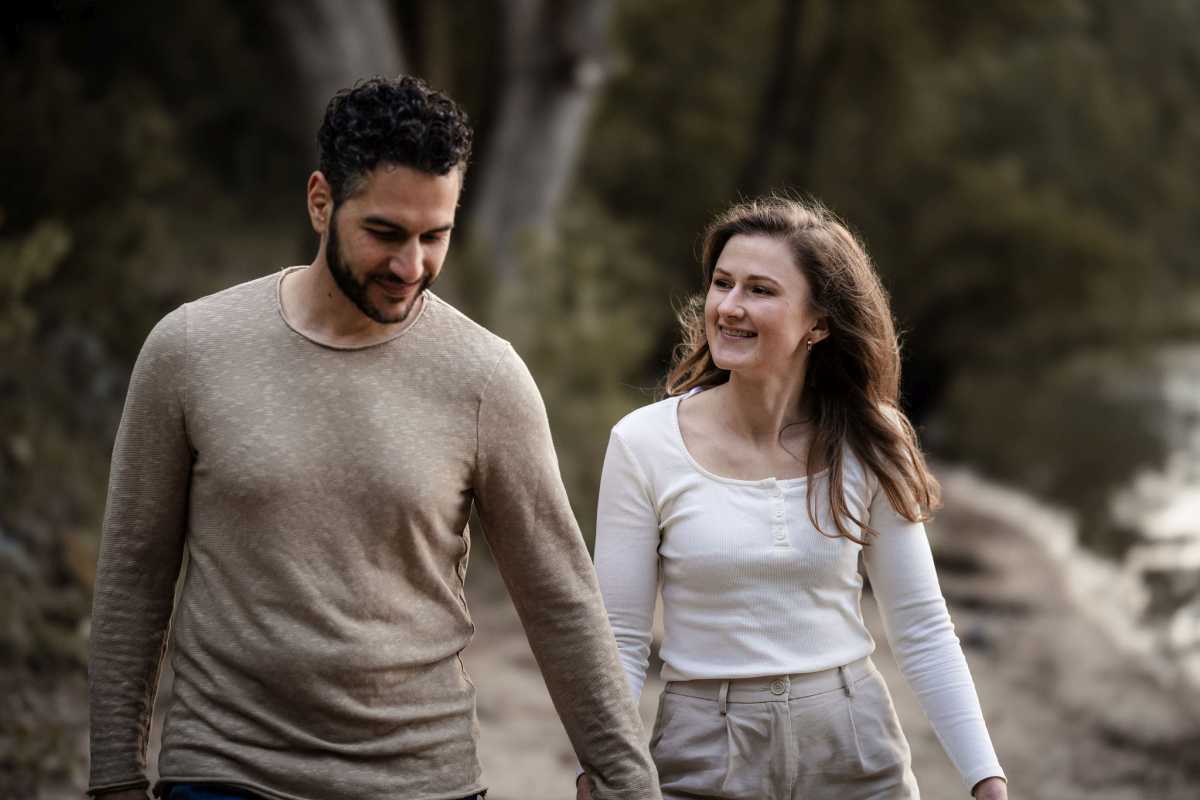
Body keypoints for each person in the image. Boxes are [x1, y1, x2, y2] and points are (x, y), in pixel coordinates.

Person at [88, 75, 660, 800]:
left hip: (421, 779)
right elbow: (134, 571)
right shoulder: (191, 349)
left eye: (436, 236)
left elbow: (561, 596)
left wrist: (626, 782)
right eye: (385, 233)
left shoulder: (485, 376)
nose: (410, 267)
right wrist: (113, 776)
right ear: (321, 200)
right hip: (225, 771)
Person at [579, 197, 1007, 799]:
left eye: (760, 290)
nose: (729, 307)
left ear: (819, 323)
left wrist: (984, 775)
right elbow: (619, 636)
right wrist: (601, 767)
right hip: (704, 749)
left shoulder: (870, 438)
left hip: (853, 747)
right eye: (722, 284)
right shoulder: (643, 443)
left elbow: (921, 626)